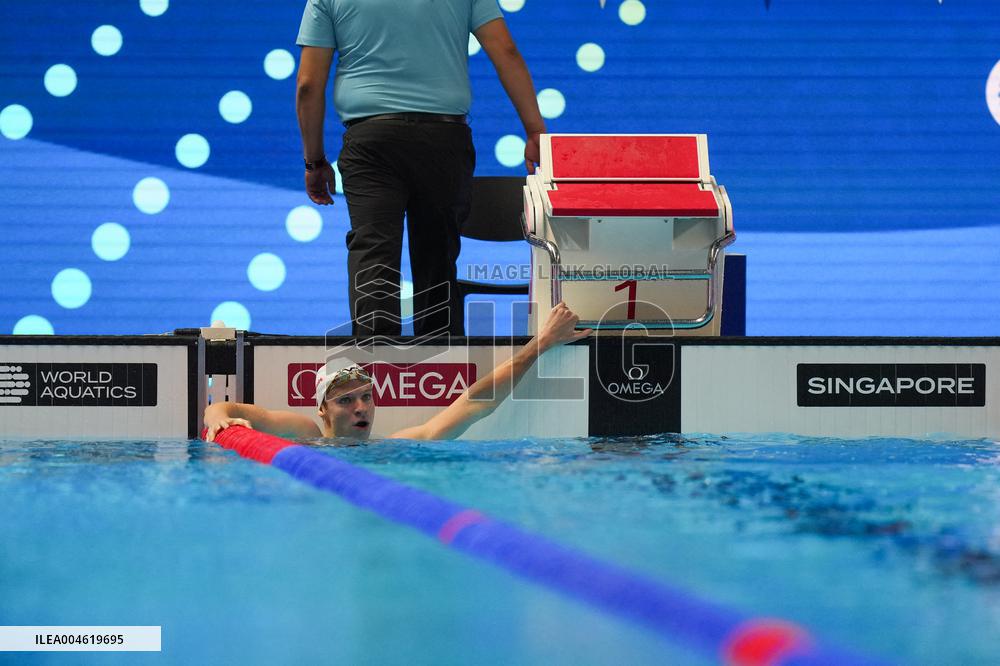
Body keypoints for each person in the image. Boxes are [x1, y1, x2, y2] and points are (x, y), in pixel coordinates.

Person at [295, 0, 547, 338]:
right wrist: (534, 130)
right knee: (437, 260)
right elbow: (506, 51)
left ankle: (375, 365)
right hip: (445, 138)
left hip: (371, 142)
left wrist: (314, 161)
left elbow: (308, 85)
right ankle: (442, 365)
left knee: (374, 257)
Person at [204, 304, 589, 442]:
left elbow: (475, 403)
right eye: (345, 400)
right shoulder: (306, 436)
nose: (361, 408)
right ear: (322, 409)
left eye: (366, 397)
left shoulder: (394, 448)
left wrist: (541, 344)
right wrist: (218, 418)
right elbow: (224, 411)